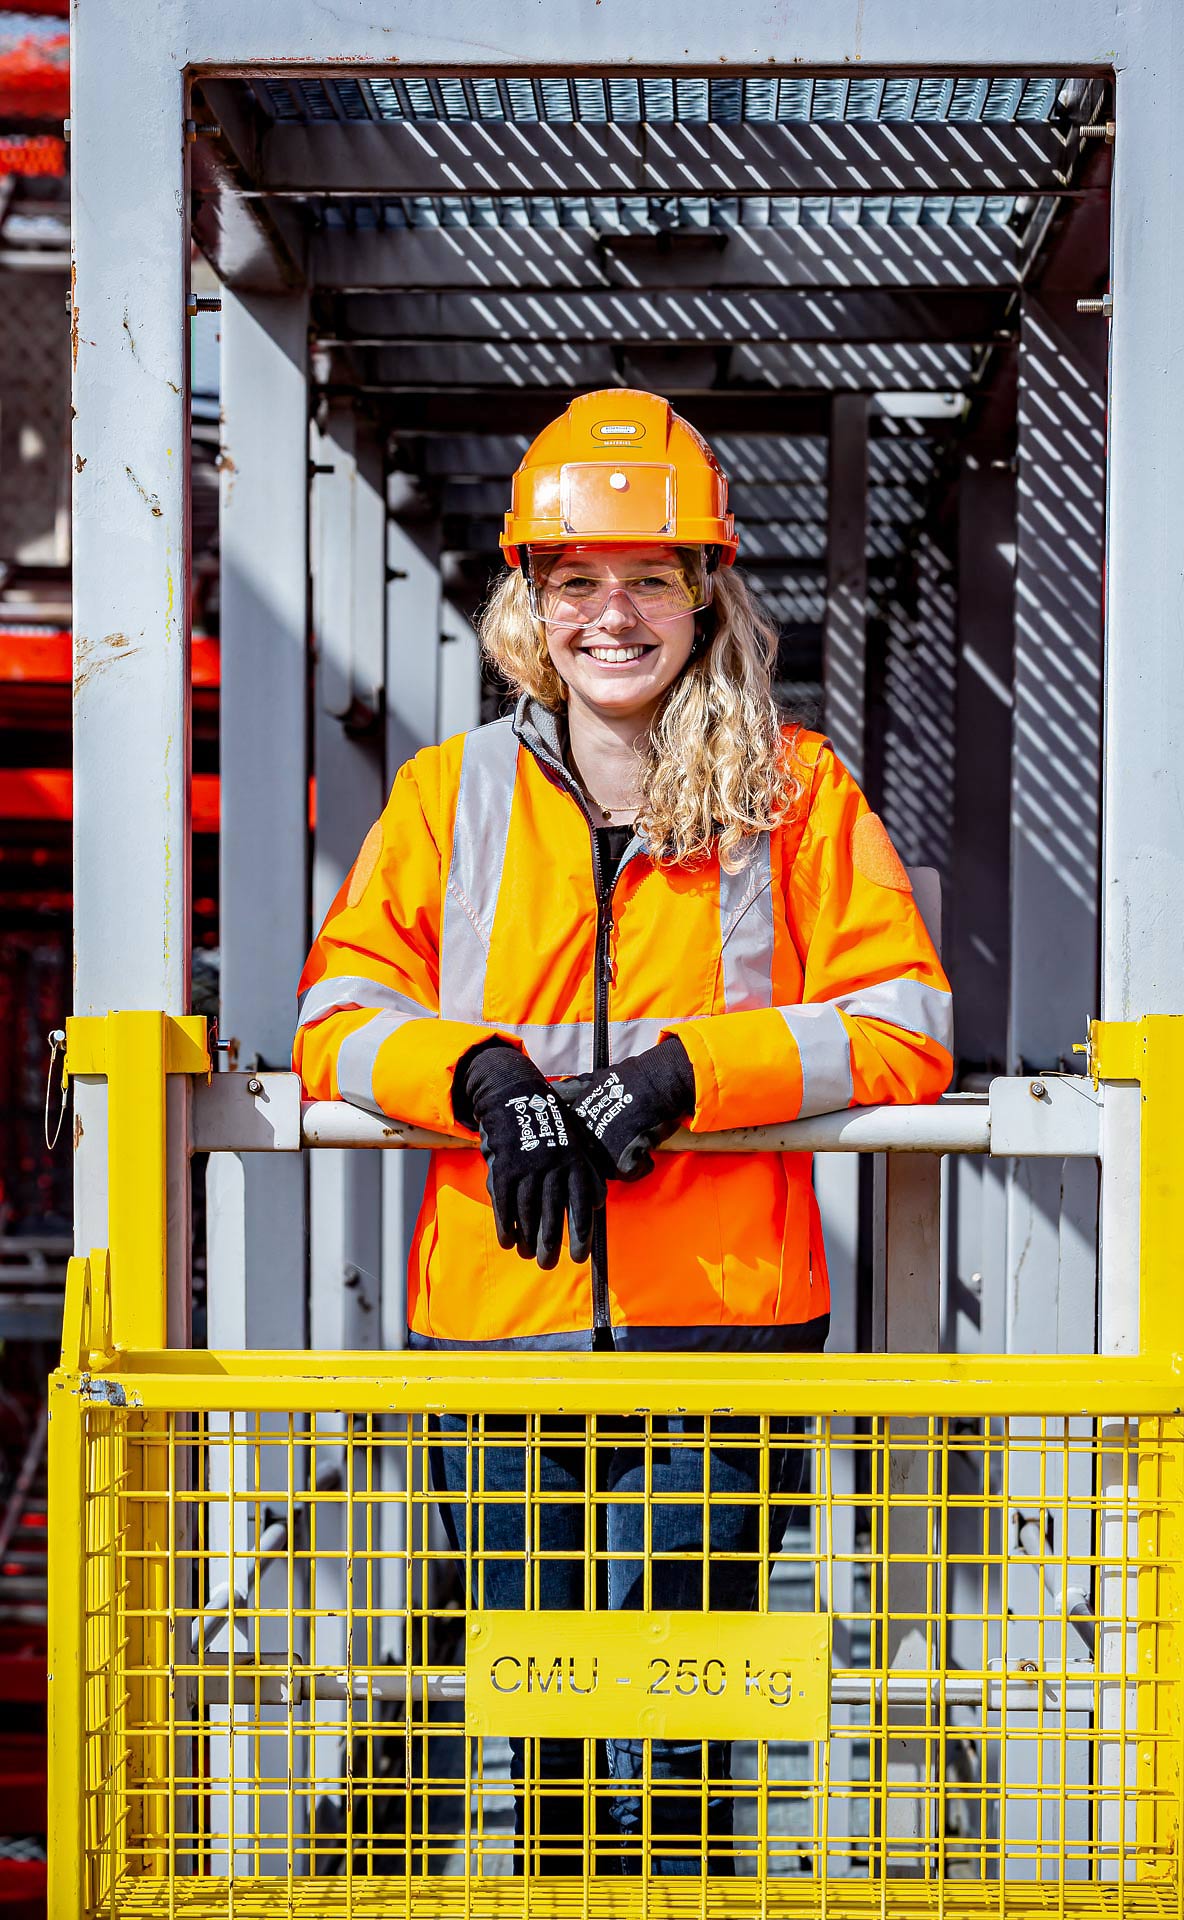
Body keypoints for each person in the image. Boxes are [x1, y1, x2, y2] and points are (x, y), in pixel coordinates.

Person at [293, 388, 953, 1877]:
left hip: (720, 1341)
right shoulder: (448, 797)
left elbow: (904, 1020)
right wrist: (480, 1077)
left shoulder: (795, 797)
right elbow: (337, 1005)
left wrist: (675, 1078)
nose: (614, 615)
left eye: (650, 577)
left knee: (667, 1738)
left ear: (705, 591)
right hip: (501, 1327)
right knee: (546, 1722)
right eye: (578, 581)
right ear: (529, 600)